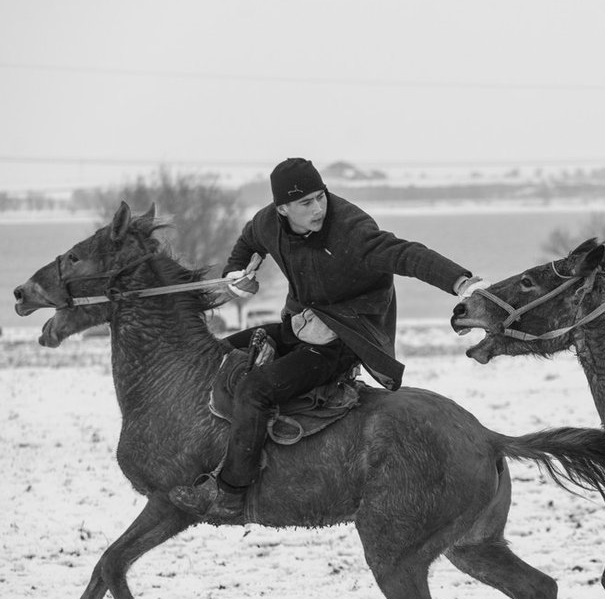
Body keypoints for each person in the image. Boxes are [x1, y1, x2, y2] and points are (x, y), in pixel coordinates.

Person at [170, 158, 487, 518]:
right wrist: (237, 274)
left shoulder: (351, 229)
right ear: (282, 209)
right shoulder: (267, 224)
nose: (319, 208)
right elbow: (249, 239)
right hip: (300, 323)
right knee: (221, 352)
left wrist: (462, 282)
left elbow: (406, 254)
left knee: (255, 390)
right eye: (306, 203)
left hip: (345, 336)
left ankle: (230, 493)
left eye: (321, 197)